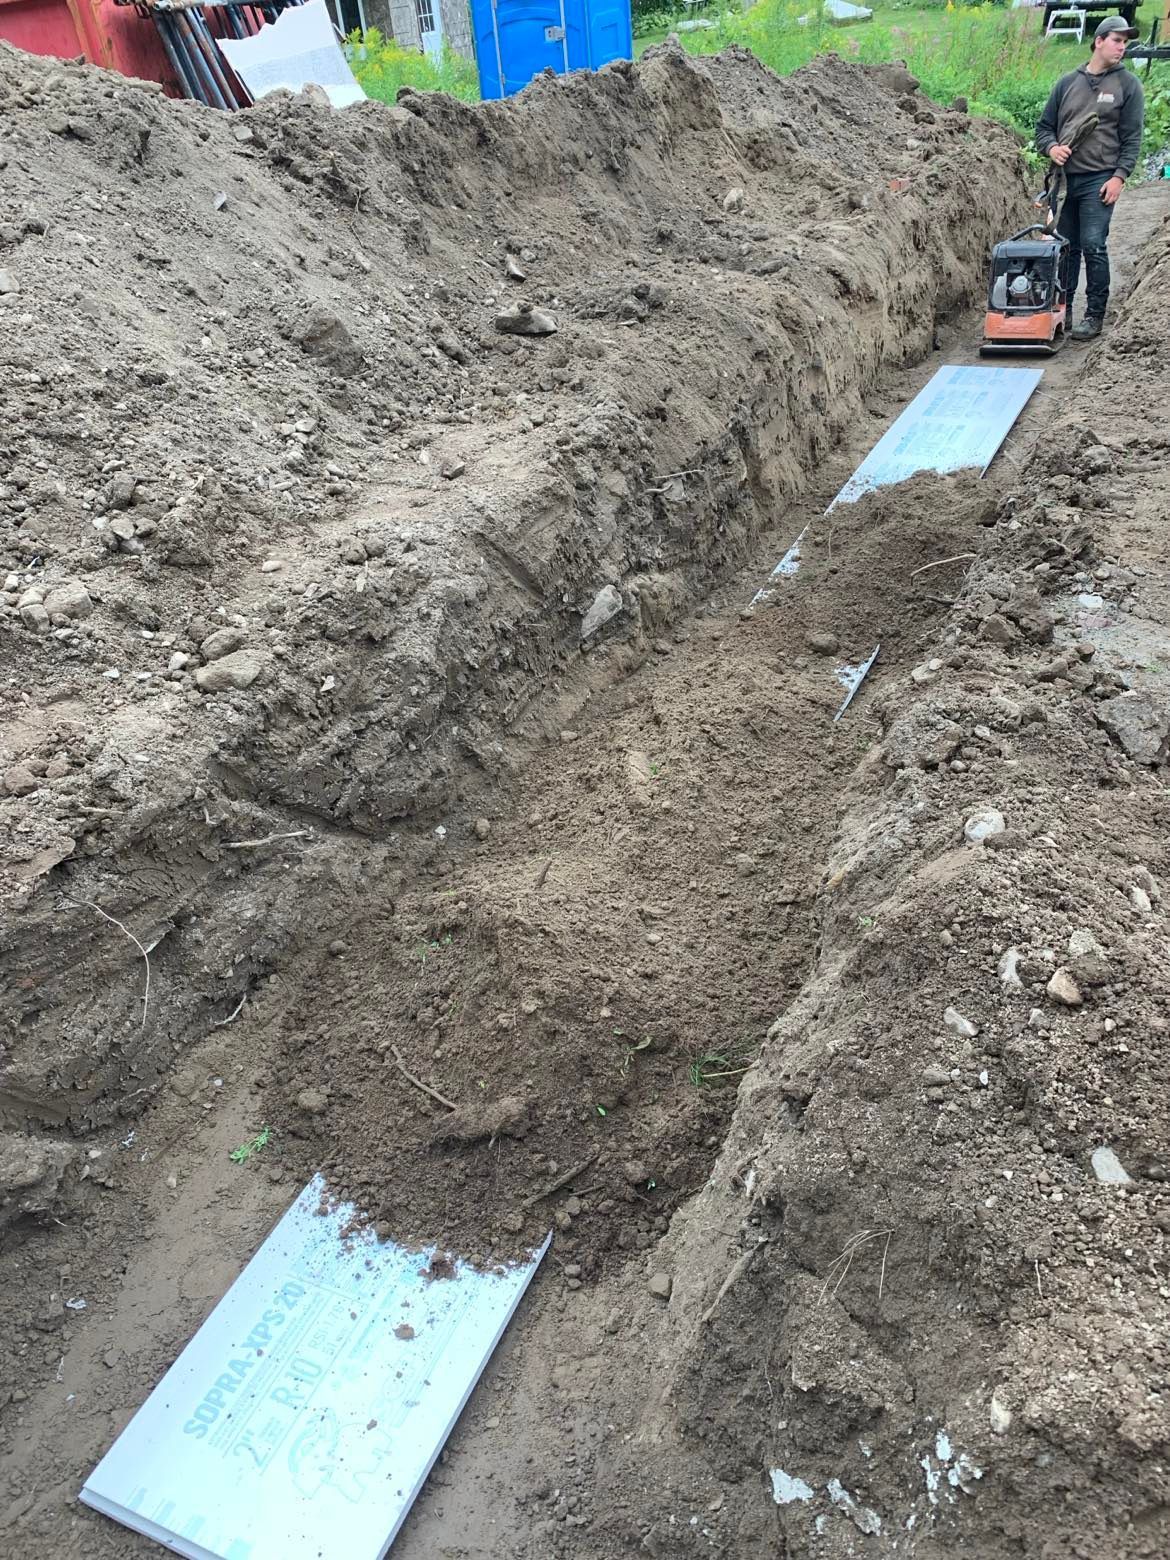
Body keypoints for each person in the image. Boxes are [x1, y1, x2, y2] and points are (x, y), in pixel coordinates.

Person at [1035, 16, 1145, 340]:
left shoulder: (1128, 86)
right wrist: (1052, 148)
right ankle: (1063, 311)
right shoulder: (1068, 83)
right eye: (1117, 40)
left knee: (1094, 244)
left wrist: (1119, 177)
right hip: (1066, 180)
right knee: (1067, 247)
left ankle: (1094, 315)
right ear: (1098, 41)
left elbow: (1132, 138)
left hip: (1100, 178)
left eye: (1125, 42)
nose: (1122, 47)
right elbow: (1044, 128)